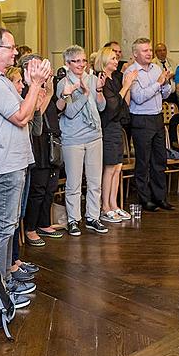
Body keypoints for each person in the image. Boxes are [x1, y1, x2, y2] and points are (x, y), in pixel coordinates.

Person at [0, 27, 52, 308]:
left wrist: (35, 88)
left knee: (8, 227)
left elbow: (29, 113)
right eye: (11, 47)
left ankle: (4, 277)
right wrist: (33, 86)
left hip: (13, 161)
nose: (16, 52)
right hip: (3, 164)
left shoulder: (2, 80)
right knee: (2, 229)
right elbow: (21, 117)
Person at [55, 45, 107, 235]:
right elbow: (68, 112)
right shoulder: (63, 84)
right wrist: (85, 95)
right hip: (73, 139)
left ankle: (93, 217)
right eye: (76, 61)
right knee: (74, 183)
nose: (81, 64)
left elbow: (101, 108)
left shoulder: (92, 79)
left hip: (94, 135)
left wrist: (99, 91)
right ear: (67, 64)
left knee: (95, 181)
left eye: (83, 60)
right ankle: (73, 219)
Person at [5, 64, 48, 281]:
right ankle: (10, 263)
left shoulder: (25, 103)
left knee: (18, 214)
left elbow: (37, 130)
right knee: (11, 217)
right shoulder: (12, 106)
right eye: (18, 82)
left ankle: (15, 259)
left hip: (26, 161)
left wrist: (38, 107)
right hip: (13, 162)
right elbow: (21, 123)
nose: (22, 85)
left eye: (23, 81)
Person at [125, 37, 175, 212]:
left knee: (159, 161)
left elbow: (166, 94)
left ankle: (160, 198)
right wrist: (158, 83)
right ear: (135, 54)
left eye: (150, 49)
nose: (149, 53)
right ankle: (145, 199)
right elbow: (138, 98)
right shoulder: (131, 72)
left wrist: (166, 83)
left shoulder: (156, 68)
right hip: (141, 119)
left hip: (157, 117)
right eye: (145, 50)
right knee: (143, 162)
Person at [22, 54, 65, 247]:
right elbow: (35, 113)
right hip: (37, 141)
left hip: (52, 139)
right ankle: (30, 228)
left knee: (51, 185)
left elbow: (56, 109)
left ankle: (45, 223)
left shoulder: (45, 87)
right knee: (37, 188)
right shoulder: (26, 90)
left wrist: (60, 94)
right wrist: (45, 92)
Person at [95, 46, 137, 223]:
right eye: (112, 58)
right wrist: (126, 85)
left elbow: (123, 103)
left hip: (118, 125)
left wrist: (127, 85)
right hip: (107, 127)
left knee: (118, 167)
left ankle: (114, 204)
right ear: (104, 61)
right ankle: (105, 207)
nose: (116, 61)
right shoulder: (102, 79)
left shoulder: (116, 78)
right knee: (110, 167)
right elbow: (111, 107)